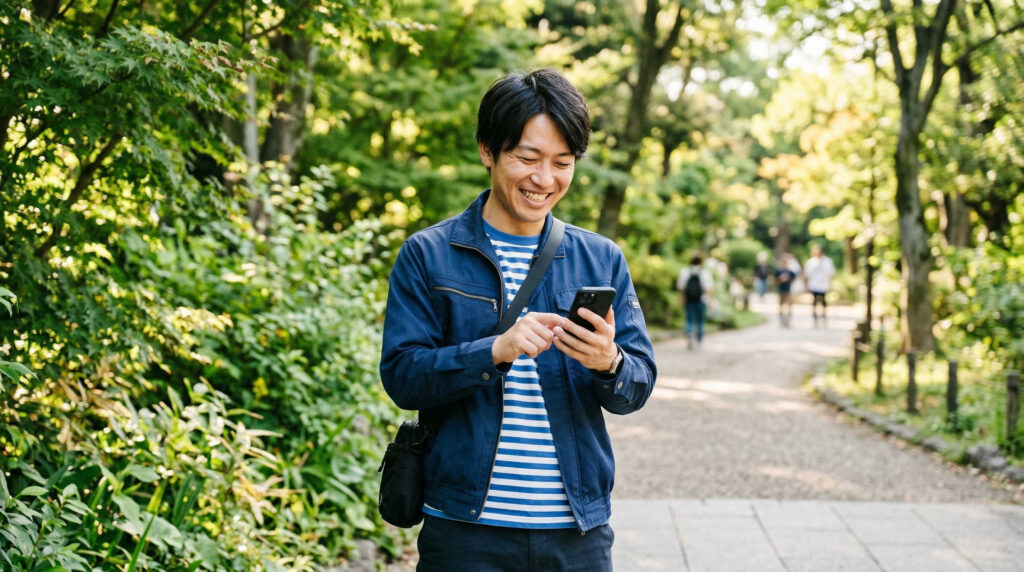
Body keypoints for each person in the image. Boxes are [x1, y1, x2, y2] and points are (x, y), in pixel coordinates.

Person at [379, 69, 657, 571]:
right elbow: (402, 377)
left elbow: (636, 387)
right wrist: (494, 351)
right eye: (527, 158)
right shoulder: (428, 254)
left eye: (562, 162)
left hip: (576, 533)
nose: (544, 179)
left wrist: (609, 361)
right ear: (488, 150)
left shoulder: (600, 258)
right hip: (464, 531)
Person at [676, 255, 715, 349]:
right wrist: (710, 301)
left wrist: (681, 298)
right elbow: (708, 288)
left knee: (689, 319)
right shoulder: (705, 272)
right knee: (700, 321)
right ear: (701, 262)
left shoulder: (685, 271)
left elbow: (680, 287)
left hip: (689, 299)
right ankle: (699, 341)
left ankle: (689, 333)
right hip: (702, 299)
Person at [804, 243, 836, 323]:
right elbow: (807, 274)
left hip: (823, 284)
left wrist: (830, 284)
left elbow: (830, 273)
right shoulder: (811, 262)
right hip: (814, 284)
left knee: (823, 299)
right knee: (814, 299)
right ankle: (814, 314)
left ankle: (823, 314)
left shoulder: (827, 261)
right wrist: (806, 285)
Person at [775, 253, 799, 327]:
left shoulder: (790, 271)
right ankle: (781, 318)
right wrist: (780, 279)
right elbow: (775, 279)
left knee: (789, 304)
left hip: (788, 289)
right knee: (781, 304)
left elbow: (794, 278)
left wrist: (788, 280)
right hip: (780, 289)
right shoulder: (778, 271)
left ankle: (788, 319)